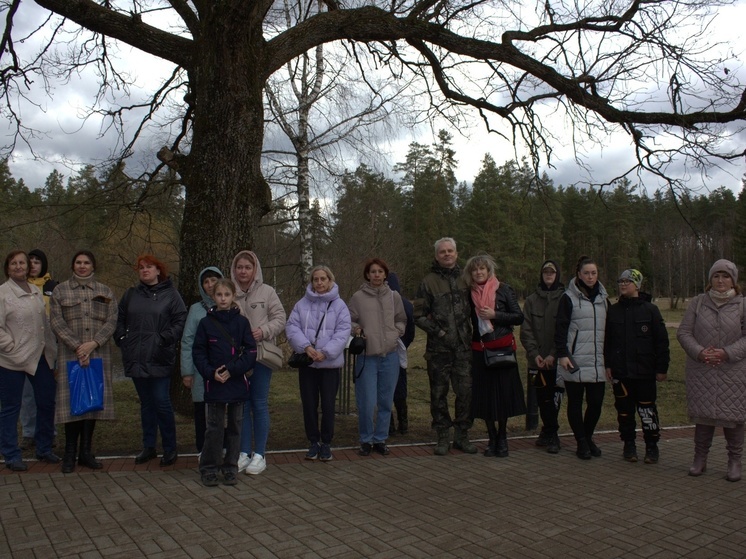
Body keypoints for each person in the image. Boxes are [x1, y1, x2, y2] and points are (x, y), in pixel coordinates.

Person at [49, 250, 118, 473]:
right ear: (73, 266)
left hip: (98, 353)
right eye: (78, 262)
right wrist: (78, 347)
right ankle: (69, 453)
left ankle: (85, 452)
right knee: (73, 405)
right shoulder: (60, 291)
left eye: (86, 262)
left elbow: (111, 321)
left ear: (93, 266)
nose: (82, 266)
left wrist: (93, 344)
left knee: (93, 402)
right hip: (71, 355)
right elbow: (56, 322)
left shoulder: (105, 291)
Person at [677, 259, 746, 482]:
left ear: (733, 280)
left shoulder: (743, 305)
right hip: (702, 369)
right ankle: (700, 459)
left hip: (733, 371)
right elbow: (684, 333)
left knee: (733, 418)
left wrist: (726, 352)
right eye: (716, 276)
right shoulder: (698, 303)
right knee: (703, 416)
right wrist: (699, 352)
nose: (721, 280)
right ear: (710, 280)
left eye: (726, 276)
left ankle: (735, 461)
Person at [115, 254, 187, 466]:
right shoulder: (130, 295)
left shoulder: (171, 295)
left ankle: (170, 448)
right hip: (136, 358)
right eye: (141, 267)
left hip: (159, 357)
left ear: (158, 270)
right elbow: (119, 318)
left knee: (162, 403)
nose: (145, 270)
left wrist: (164, 338)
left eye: (149, 267)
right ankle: (148, 447)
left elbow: (180, 319)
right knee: (146, 404)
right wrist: (121, 339)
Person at [192, 278, 257, 486]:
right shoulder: (205, 323)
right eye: (219, 295)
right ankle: (209, 467)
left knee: (236, 427)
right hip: (215, 383)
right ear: (213, 297)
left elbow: (250, 351)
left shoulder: (242, 323)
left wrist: (233, 370)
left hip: (236, 382)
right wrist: (211, 373)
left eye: (227, 295)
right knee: (214, 428)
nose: (223, 298)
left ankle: (230, 467)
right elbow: (199, 352)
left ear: (233, 296)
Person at [414, 237, 474, 456]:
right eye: (442, 252)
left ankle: (462, 435)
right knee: (439, 394)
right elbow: (418, 315)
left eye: (450, 251)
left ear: (456, 254)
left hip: (464, 348)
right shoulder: (428, 282)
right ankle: (442, 436)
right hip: (439, 350)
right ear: (436, 256)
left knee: (465, 393)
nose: (447, 254)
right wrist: (439, 332)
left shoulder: (467, 278)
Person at [285, 265, 351, 461]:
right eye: (316, 279)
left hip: (329, 366)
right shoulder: (301, 304)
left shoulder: (340, 306)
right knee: (309, 405)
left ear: (330, 280)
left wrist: (326, 352)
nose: (319, 283)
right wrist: (305, 347)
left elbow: (343, 331)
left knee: (329, 405)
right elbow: (291, 327)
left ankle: (327, 443)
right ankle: (313, 442)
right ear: (311, 282)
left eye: (323, 279)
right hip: (308, 365)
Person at [0, 250, 58, 471]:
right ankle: (11, 453)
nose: (19, 266)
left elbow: (44, 325)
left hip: (40, 356)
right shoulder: (3, 293)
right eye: (13, 263)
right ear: (7, 267)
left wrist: (52, 353)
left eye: (22, 263)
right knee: (11, 408)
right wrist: (11, 347)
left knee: (46, 401)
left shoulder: (35, 290)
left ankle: (44, 448)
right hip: (11, 360)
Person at [605, 269, 670, 464]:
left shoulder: (650, 310)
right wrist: (608, 365)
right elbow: (608, 342)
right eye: (621, 281)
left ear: (638, 285)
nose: (623, 284)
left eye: (628, 281)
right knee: (624, 411)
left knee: (647, 410)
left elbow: (662, 342)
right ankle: (629, 444)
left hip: (645, 372)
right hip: (621, 373)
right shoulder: (613, 311)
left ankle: (651, 446)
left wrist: (661, 368)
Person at [231, 250, 286, 475]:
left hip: (262, 355)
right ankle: (243, 452)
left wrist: (262, 331)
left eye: (248, 267)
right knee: (242, 404)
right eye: (240, 267)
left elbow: (280, 318)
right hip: (238, 357)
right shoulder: (229, 292)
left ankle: (260, 454)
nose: (243, 271)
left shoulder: (268, 291)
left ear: (255, 270)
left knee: (259, 403)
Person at [465, 254, 526, 457]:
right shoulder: (469, 294)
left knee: (503, 397)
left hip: (502, 350)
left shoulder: (504, 289)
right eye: (475, 269)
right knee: (485, 397)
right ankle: (491, 437)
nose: (479, 272)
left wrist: (495, 315)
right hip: (480, 351)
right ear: (471, 273)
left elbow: (518, 317)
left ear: (489, 270)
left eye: (482, 268)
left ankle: (502, 438)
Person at [348, 258, 406, 456]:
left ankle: (380, 439)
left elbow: (401, 319)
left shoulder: (394, 296)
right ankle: (365, 439)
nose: (377, 275)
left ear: (385, 274)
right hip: (367, 357)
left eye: (380, 271)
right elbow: (348, 319)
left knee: (385, 401)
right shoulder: (357, 297)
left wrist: (396, 332)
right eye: (373, 271)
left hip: (390, 356)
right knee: (367, 401)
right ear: (367, 274)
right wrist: (356, 329)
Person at [554, 256, 608, 460]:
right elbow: (560, 329)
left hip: (597, 362)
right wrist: (562, 354)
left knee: (595, 402)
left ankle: (588, 436)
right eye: (586, 273)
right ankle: (581, 442)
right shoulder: (568, 298)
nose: (590, 276)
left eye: (593, 273)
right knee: (575, 403)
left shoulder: (604, 299)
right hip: (574, 360)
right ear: (579, 275)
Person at [520, 260, 565, 454]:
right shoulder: (531, 300)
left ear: (557, 275)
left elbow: (564, 330)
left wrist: (553, 355)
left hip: (557, 362)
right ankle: (547, 431)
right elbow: (526, 330)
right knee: (539, 397)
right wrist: (535, 354)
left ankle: (552, 433)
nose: (549, 275)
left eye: (552, 272)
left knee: (554, 398)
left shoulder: (565, 298)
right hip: (535, 362)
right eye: (545, 271)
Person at [180, 266, 224, 453]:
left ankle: (224, 448)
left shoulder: (230, 306)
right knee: (202, 412)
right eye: (206, 282)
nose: (210, 285)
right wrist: (187, 371)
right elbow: (187, 340)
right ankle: (203, 451)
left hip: (224, 368)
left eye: (213, 280)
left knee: (224, 410)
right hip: (200, 369)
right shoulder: (196, 310)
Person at [19, 248, 58, 451]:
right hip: (25, 349)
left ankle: (49, 432)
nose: (33, 264)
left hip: (49, 348)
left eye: (37, 261)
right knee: (27, 394)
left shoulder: (53, 287)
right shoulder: (19, 286)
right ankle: (28, 432)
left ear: (43, 264)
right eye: (30, 261)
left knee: (48, 394)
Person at [387, 272, 415, 436]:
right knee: (397, 389)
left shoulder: (404, 305)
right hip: (396, 350)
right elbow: (411, 332)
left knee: (389, 390)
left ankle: (394, 424)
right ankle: (401, 424)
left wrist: (402, 344)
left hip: (396, 350)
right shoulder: (406, 304)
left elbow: (410, 330)